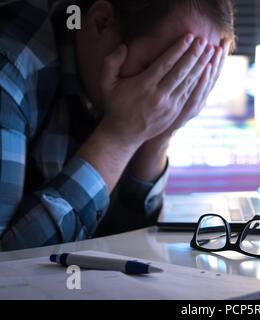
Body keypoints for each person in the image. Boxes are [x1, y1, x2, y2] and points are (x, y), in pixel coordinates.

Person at [0, 0, 235, 251]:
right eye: (158, 69)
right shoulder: (9, 72)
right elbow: (8, 264)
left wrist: (158, 136)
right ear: (101, 24)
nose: (163, 97)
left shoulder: (105, 75)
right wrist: (119, 136)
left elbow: (121, 244)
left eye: (189, 76)